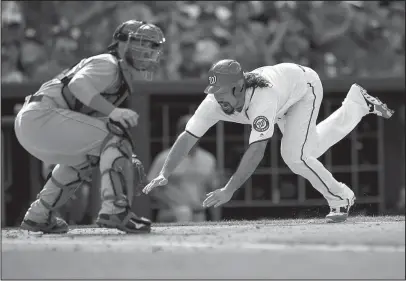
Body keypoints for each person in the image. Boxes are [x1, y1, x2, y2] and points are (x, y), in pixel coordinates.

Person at [144, 59, 394, 222]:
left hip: (303, 87)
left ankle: (340, 198)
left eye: (222, 92)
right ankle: (357, 105)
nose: (217, 98)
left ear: (239, 88)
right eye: (214, 92)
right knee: (310, 149)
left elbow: (257, 149)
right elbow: (187, 136)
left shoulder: (262, 98)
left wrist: (228, 190)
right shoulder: (213, 103)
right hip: (285, 97)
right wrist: (165, 172)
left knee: (294, 156)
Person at [14, 19, 165, 234]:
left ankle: (38, 215)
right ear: (122, 43)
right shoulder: (109, 63)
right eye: (141, 42)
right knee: (116, 137)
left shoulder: (119, 73)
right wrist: (114, 114)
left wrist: (125, 157)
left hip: (39, 122)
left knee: (84, 161)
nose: (148, 50)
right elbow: (78, 85)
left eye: (152, 46)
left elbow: (89, 121)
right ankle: (114, 210)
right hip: (42, 116)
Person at [148, 115, 219, 222]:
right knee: (184, 212)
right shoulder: (165, 158)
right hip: (171, 213)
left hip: (199, 213)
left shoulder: (208, 159)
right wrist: (171, 203)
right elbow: (151, 188)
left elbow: (213, 188)